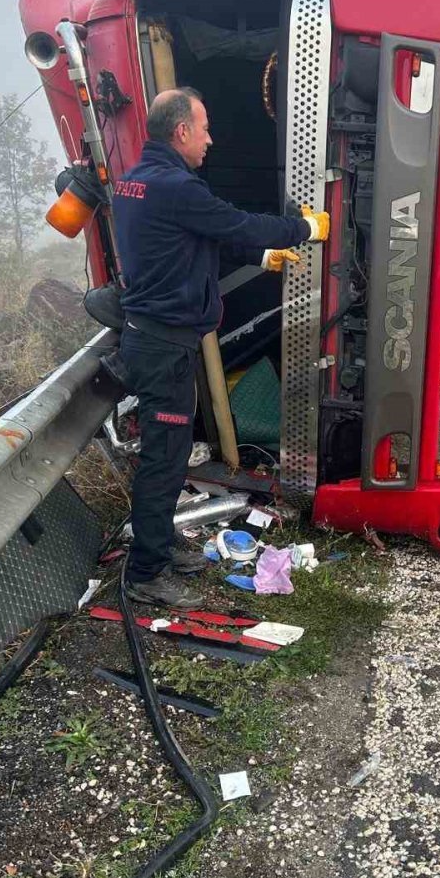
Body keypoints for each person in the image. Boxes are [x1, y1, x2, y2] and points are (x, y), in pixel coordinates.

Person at [112, 86, 328, 609]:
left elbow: (207, 238)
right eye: (204, 128)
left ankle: (160, 548)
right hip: (164, 347)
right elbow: (235, 223)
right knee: (165, 462)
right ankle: (145, 574)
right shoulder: (176, 188)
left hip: (155, 340)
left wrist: (264, 255)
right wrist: (301, 228)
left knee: (171, 456)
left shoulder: (139, 182)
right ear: (181, 131)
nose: (210, 139)